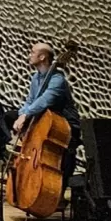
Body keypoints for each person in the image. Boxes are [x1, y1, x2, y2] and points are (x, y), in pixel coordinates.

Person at [15, 40, 81, 187]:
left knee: (63, 161)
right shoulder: (36, 77)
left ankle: (58, 189)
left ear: (42, 57)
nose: (29, 55)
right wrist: (22, 114)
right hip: (47, 122)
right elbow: (30, 100)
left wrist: (26, 115)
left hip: (66, 125)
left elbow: (45, 100)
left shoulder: (57, 80)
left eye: (32, 52)